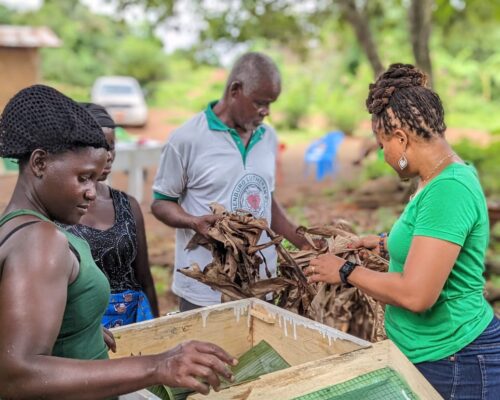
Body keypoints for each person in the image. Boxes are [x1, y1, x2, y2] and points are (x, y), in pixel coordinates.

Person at [0, 85, 236, 399]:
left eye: (95, 180)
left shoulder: (13, 226)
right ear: (40, 163)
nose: (90, 191)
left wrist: (78, 324)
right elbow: (18, 376)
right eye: (83, 177)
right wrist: (158, 366)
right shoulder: (41, 241)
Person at [305, 64, 500, 399]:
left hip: (457, 362)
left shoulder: (448, 190)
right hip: (437, 355)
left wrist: (347, 271)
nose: (383, 156)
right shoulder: (434, 179)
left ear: (401, 138)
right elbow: (432, 241)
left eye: (383, 145)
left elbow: (416, 295)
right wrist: (381, 243)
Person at [151, 52, 310, 311]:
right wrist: (194, 222)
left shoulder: (267, 137)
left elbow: (266, 202)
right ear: (235, 90)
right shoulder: (187, 139)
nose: (266, 112)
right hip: (207, 291)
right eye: (260, 102)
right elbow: (161, 203)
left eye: (271, 104)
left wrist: (303, 240)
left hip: (261, 284)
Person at [57, 103, 159, 328]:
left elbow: (145, 279)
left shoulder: (127, 206)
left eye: (111, 147)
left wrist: (158, 328)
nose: (108, 156)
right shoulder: (57, 211)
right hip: (80, 331)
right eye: (99, 146)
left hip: (132, 325)